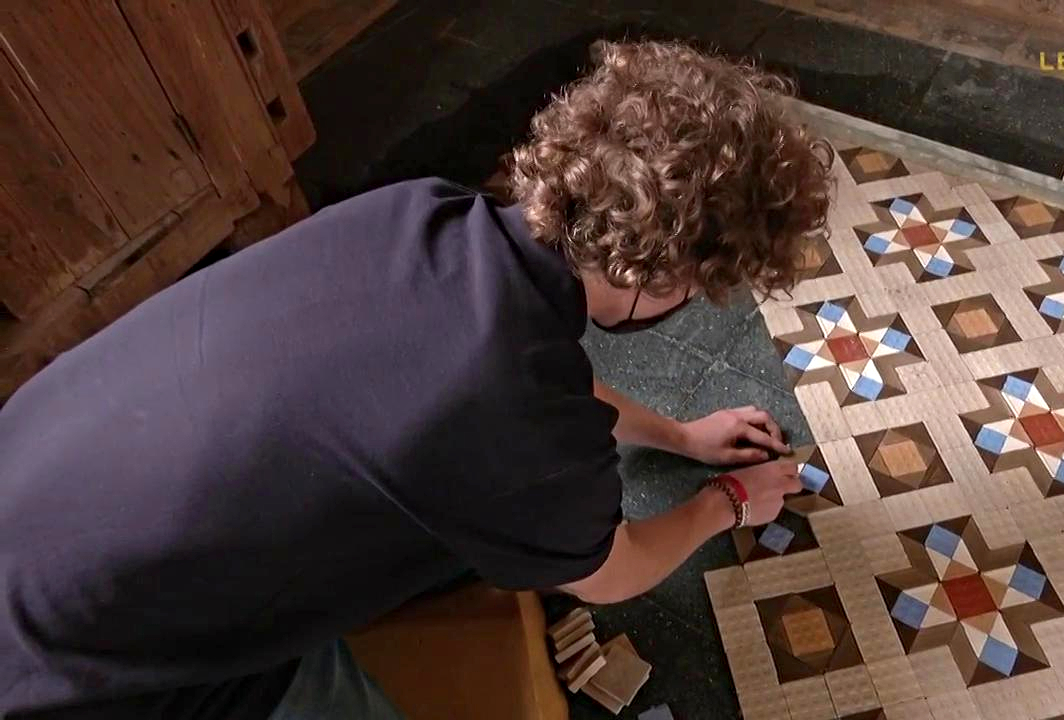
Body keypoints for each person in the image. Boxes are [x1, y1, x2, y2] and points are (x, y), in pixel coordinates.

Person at [0, 39, 832, 719]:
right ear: (664, 274)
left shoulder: (418, 213)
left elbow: (505, 390)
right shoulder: (513, 406)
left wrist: (678, 435)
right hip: (75, 671)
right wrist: (727, 502)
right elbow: (612, 571)